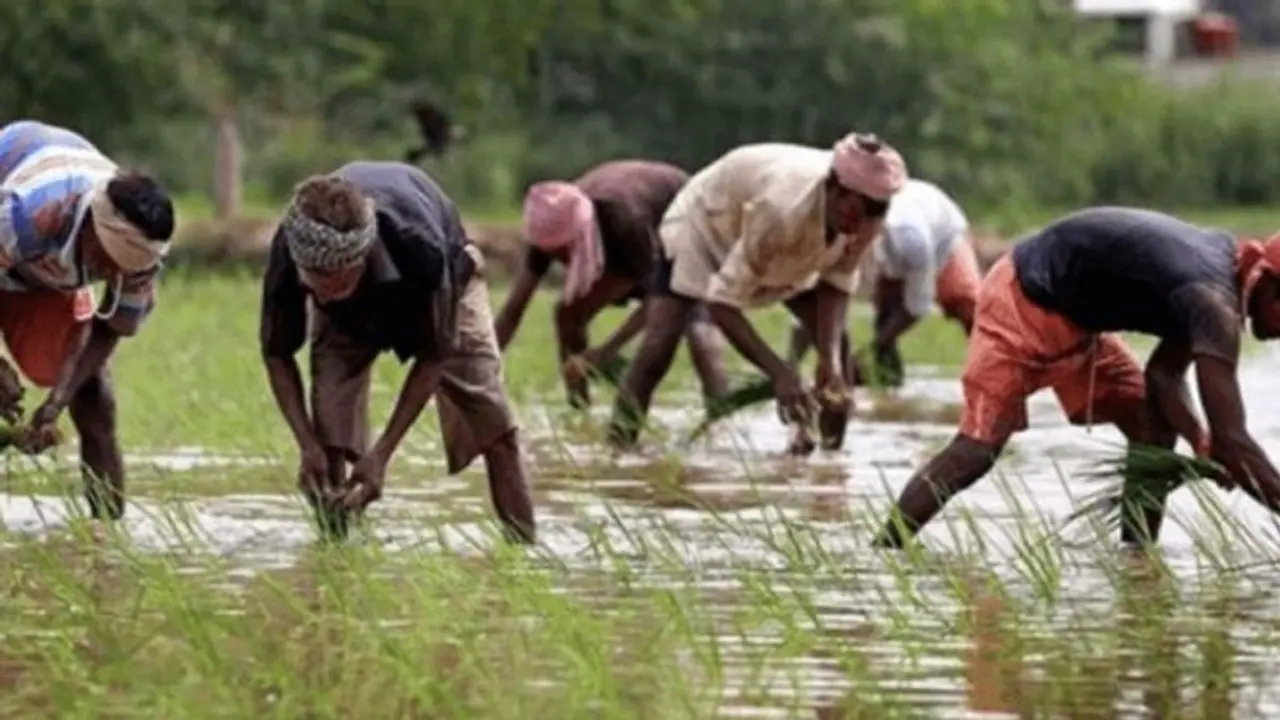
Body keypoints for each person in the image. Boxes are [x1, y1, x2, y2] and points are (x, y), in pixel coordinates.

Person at [872, 207, 1280, 550]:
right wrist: (1220, 446)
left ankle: (1136, 560)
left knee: (1148, 422)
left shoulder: (1218, 279)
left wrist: (1200, 440)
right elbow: (1234, 441)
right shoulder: (1213, 303)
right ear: (1271, 288)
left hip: (1078, 322)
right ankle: (885, 551)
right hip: (1022, 300)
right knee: (977, 451)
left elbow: (1165, 374)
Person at [258, 161, 535, 543]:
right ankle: (335, 552)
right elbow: (276, 354)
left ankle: (523, 550)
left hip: (446, 285)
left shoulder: (421, 247)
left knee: (495, 425)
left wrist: (383, 454)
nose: (324, 291)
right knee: (329, 436)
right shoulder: (292, 253)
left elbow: (435, 355)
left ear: (363, 255)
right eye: (315, 281)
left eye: (339, 279)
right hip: (345, 320)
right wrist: (307, 445)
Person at [607, 133, 909, 452]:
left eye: (870, 216)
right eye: (852, 215)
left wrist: (830, 360)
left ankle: (829, 460)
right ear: (833, 188)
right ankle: (617, 449)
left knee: (837, 353)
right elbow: (721, 302)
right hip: (707, 226)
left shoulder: (868, 221)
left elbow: (837, 284)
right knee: (659, 345)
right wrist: (779, 373)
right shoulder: (781, 208)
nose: (857, 227)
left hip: (784, 248)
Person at [0, 119, 175, 520]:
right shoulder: (29, 213)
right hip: (13, 241)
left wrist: (57, 400)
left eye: (123, 269)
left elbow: (108, 327)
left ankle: (107, 535)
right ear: (93, 231)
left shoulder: (143, 256)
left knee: (95, 395)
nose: (114, 274)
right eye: (108, 261)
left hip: (41, 276)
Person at [494, 160, 729, 409]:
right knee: (567, 314)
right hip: (623, 247)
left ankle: (722, 420)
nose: (562, 261)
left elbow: (657, 302)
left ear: (580, 234)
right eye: (556, 254)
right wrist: (478, 366)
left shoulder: (625, 223)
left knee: (696, 330)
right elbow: (514, 308)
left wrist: (606, 351)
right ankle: (579, 410)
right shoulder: (549, 225)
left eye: (567, 251)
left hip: (687, 220)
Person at [786, 178, 981, 387]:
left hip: (944, 234)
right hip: (892, 250)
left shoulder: (911, 241)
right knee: (885, 318)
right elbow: (815, 304)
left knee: (966, 302)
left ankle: (988, 375)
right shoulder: (840, 235)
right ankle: (887, 384)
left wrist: (866, 352)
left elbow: (917, 307)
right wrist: (791, 366)